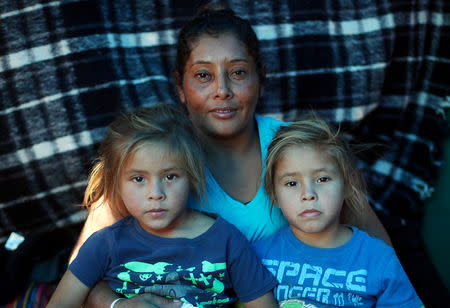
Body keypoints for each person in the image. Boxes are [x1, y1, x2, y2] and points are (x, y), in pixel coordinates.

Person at [72, 6, 392, 308]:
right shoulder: (154, 157)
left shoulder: (301, 149)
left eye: (238, 72)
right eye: (203, 75)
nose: (222, 90)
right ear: (180, 87)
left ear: (261, 79)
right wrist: (116, 304)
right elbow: (80, 275)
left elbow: (382, 254)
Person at [48, 104, 278, 308]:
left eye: (170, 177)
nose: (155, 194)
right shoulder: (104, 245)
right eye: (138, 179)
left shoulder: (227, 241)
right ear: (116, 183)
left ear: (192, 176)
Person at [252, 117, 424, 307]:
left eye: (323, 179)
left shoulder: (378, 259)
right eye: (292, 183)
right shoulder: (257, 257)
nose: (308, 194)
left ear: (348, 186)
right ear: (273, 195)